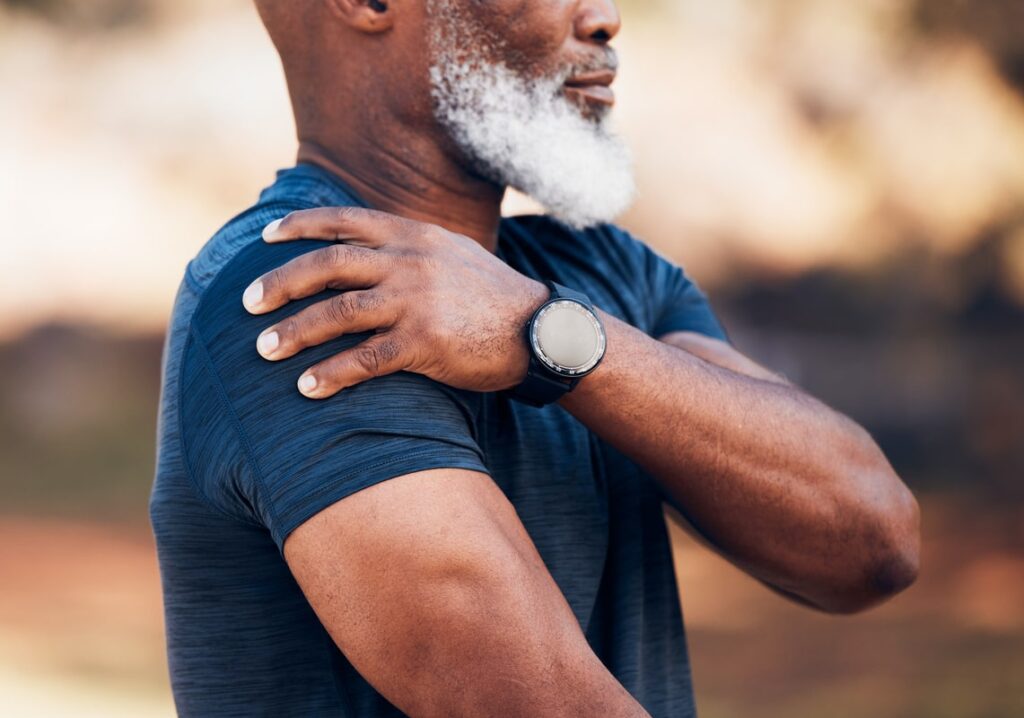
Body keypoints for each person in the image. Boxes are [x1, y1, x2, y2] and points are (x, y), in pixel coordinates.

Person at [149, 1, 920, 716]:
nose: (605, 16)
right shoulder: (306, 285)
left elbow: (875, 541)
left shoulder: (603, 272)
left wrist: (541, 333)